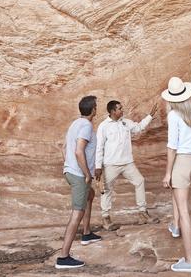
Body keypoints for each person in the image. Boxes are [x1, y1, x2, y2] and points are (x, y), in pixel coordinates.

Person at [161, 77, 191, 273]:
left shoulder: (174, 116)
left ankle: (190, 261)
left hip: (183, 162)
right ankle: (175, 225)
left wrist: (167, 173)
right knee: (177, 193)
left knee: (185, 210)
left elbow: (172, 147)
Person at [94, 100, 160, 230]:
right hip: (111, 164)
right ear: (112, 111)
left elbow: (139, 127)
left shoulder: (125, 122)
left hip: (127, 163)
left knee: (139, 181)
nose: (122, 110)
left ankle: (142, 213)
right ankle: (106, 218)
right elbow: (99, 147)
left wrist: (150, 116)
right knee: (107, 189)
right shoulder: (104, 126)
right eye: (119, 109)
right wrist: (98, 167)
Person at [55, 95, 102, 269]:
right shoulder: (86, 126)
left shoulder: (75, 124)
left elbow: (64, 148)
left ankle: (87, 233)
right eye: (96, 106)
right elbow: (78, 151)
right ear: (94, 110)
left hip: (71, 171)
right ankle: (63, 257)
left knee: (90, 195)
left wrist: (68, 166)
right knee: (77, 213)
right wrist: (86, 174)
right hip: (79, 175)